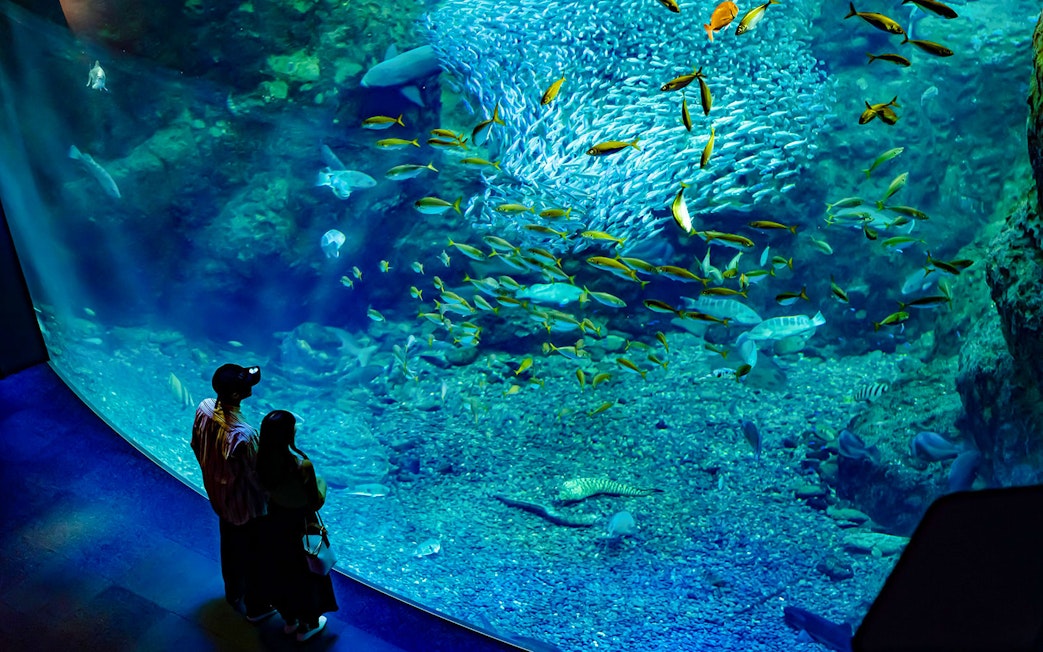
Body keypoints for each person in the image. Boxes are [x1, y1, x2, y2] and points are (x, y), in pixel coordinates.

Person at [190, 363, 274, 621]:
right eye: (246, 384)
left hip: (220, 498)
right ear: (237, 395)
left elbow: (195, 443)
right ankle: (257, 607)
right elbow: (257, 477)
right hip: (246, 507)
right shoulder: (244, 435)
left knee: (230, 546)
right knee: (255, 555)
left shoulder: (204, 408)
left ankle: (233, 592)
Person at [257, 410, 339, 642]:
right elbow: (315, 501)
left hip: (274, 522)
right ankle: (309, 625)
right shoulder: (301, 465)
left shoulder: (260, 458)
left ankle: (290, 620)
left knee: (281, 571)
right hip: (299, 526)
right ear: (288, 434)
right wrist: (323, 483)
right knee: (307, 575)